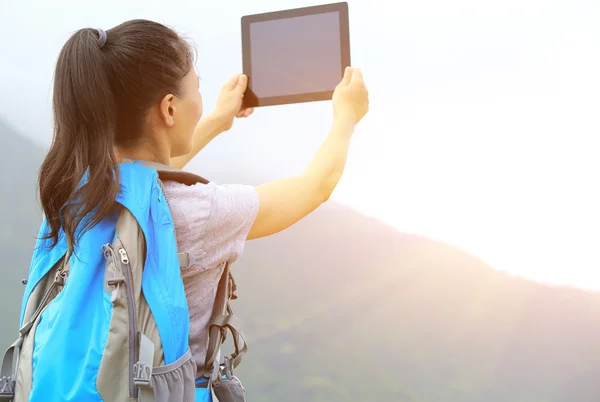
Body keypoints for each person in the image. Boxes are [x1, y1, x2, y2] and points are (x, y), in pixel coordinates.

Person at [37, 18, 368, 398]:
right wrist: (347, 115)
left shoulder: (74, 193)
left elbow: (145, 177)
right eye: (196, 88)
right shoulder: (200, 212)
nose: (201, 102)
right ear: (169, 109)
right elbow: (316, 185)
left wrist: (215, 122)